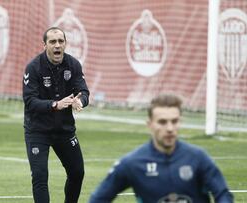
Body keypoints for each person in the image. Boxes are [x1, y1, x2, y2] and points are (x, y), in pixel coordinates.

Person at [89, 94, 233, 203]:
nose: (170, 128)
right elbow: (98, 199)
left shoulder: (198, 158)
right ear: (150, 124)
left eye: (174, 121)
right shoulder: (132, 163)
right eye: (162, 122)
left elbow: (223, 194)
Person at [22, 27, 90, 203]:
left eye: (61, 41)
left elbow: (83, 91)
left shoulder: (73, 64)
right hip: (38, 131)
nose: (57, 45)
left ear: (65, 44)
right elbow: (29, 101)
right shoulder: (33, 67)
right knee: (40, 176)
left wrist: (79, 101)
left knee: (77, 172)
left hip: (64, 130)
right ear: (44, 45)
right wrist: (54, 105)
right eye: (53, 42)